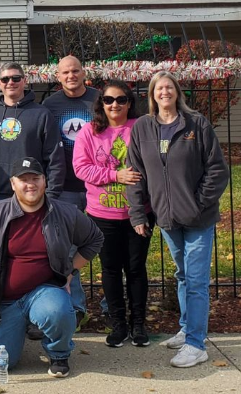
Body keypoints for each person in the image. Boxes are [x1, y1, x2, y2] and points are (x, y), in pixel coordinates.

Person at [0, 157, 103, 379]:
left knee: (58, 309)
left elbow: (94, 239)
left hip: (44, 291)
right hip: (4, 301)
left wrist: (69, 271)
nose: (30, 185)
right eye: (23, 180)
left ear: (45, 181)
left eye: (35, 178)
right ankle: (15, 330)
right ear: (13, 184)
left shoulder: (65, 212)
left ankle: (58, 353)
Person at [127, 71, 229, 368]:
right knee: (182, 275)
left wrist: (198, 203)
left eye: (169, 87)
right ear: (152, 94)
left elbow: (217, 170)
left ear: (177, 92)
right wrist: (137, 212)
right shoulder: (143, 128)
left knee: (196, 281)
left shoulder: (196, 124)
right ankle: (187, 329)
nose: (164, 92)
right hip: (167, 218)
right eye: (159, 88)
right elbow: (135, 175)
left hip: (198, 218)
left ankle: (196, 345)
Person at [71, 80, 150, 348]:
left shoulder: (141, 128)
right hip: (102, 214)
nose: (114, 105)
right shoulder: (89, 132)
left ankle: (138, 324)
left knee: (137, 269)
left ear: (129, 102)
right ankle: (118, 324)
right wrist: (116, 174)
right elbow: (81, 168)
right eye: (108, 100)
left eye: (120, 99)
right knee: (111, 270)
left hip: (138, 214)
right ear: (101, 103)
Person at [41, 56, 99, 327]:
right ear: (58, 76)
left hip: (99, 184)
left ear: (84, 73)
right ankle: (75, 307)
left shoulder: (100, 99)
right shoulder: (50, 105)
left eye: (75, 70)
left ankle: (112, 306)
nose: (71, 75)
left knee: (107, 246)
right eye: (66, 72)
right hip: (64, 187)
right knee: (67, 249)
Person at [0, 62, 62, 211]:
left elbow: (54, 159)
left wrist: (51, 195)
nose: (10, 82)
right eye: (5, 79)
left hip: (33, 196)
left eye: (16, 78)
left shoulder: (42, 114)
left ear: (24, 81)